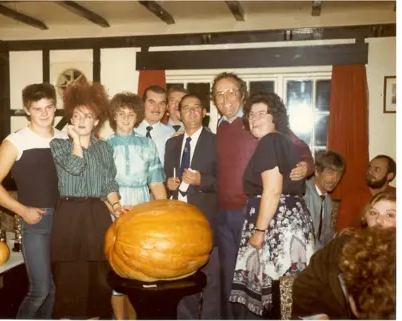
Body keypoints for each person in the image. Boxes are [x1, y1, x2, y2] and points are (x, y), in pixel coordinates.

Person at [212, 72, 314, 319]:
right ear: (214, 100)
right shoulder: (220, 127)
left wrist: (307, 165)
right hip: (225, 214)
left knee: (258, 282)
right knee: (233, 281)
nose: (226, 98)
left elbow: (298, 147)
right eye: (219, 94)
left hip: (255, 212)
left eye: (231, 91)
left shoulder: (257, 125)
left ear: (241, 94)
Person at [49, 76, 130, 319]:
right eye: (77, 115)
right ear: (70, 120)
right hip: (70, 216)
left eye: (87, 116)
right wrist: (75, 141)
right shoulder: (59, 145)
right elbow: (74, 167)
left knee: (98, 281)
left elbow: (108, 182)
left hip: (97, 215)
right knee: (70, 281)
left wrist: (115, 205)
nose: (82, 120)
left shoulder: (104, 148)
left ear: (96, 120)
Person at [0, 83, 67, 319]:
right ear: (27, 110)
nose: (44, 113)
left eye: (48, 107)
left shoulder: (64, 138)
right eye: (37, 108)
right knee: (40, 290)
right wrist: (22, 211)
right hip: (36, 223)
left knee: (54, 290)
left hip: (63, 222)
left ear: (55, 107)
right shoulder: (16, 141)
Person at [106, 92, 167, 319]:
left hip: (142, 207)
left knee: (138, 268)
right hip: (114, 206)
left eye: (130, 114)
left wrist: (164, 213)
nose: (125, 118)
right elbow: (103, 185)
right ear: (113, 116)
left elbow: (156, 182)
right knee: (118, 268)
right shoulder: (105, 146)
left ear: (137, 117)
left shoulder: (147, 144)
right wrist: (114, 206)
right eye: (120, 114)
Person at [164, 93, 220, 319]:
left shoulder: (217, 141)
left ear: (204, 113)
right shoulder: (172, 143)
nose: (192, 111)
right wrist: (169, 184)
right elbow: (167, 178)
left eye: (197, 107)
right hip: (179, 222)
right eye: (186, 108)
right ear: (178, 113)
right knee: (184, 277)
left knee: (211, 280)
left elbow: (227, 181)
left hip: (207, 219)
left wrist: (202, 180)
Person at [292, 224, 396, 319]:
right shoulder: (341, 248)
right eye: (373, 213)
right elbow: (303, 289)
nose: (379, 220)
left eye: (390, 215)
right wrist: (318, 317)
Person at [336, 155, 396, 231]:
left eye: (377, 169)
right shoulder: (353, 195)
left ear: (389, 176)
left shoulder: (395, 195)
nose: (370, 172)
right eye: (369, 168)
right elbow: (342, 231)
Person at [304, 151, 345, 250]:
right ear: (317, 172)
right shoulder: (303, 193)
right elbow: (307, 235)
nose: (335, 179)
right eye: (330, 173)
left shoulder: (327, 200)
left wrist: (338, 237)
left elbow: (325, 233)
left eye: (338, 175)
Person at [134, 85, 175, 165]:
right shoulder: (131, 130)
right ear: (143, 104)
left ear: (166, 107)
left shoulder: (172, 134)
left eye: (161, 103)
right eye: (152, 102)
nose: (156, 108)